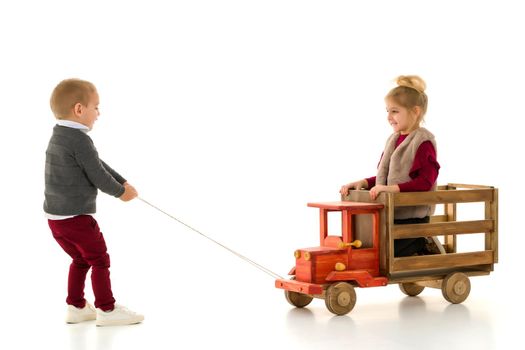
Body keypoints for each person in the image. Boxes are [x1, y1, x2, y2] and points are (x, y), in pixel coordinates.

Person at [44, 78, 144, 326]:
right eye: (96, 107)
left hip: (57, 221)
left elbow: (95, 163)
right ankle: (107, 310)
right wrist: (121, 193)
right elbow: (97, 174)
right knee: (100, 260)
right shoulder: (79, 139)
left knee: (80, 260)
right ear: (79, 110)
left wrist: (122, 181)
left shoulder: (61, 134)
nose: (98, 114)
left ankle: (76, 306)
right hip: (77, 219)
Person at [340, 75, 441, 256]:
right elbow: (384, 178)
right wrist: (363, 183)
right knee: (365, 245)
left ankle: (421, 244)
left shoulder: (423, 142)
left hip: (411, 218)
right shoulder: (393, 140)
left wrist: (391, 189)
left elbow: (426, 182)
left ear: (415, 111)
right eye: (387, 111)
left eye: (394, 111)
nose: (389, 117)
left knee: (384, 254)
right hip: (390, 214)